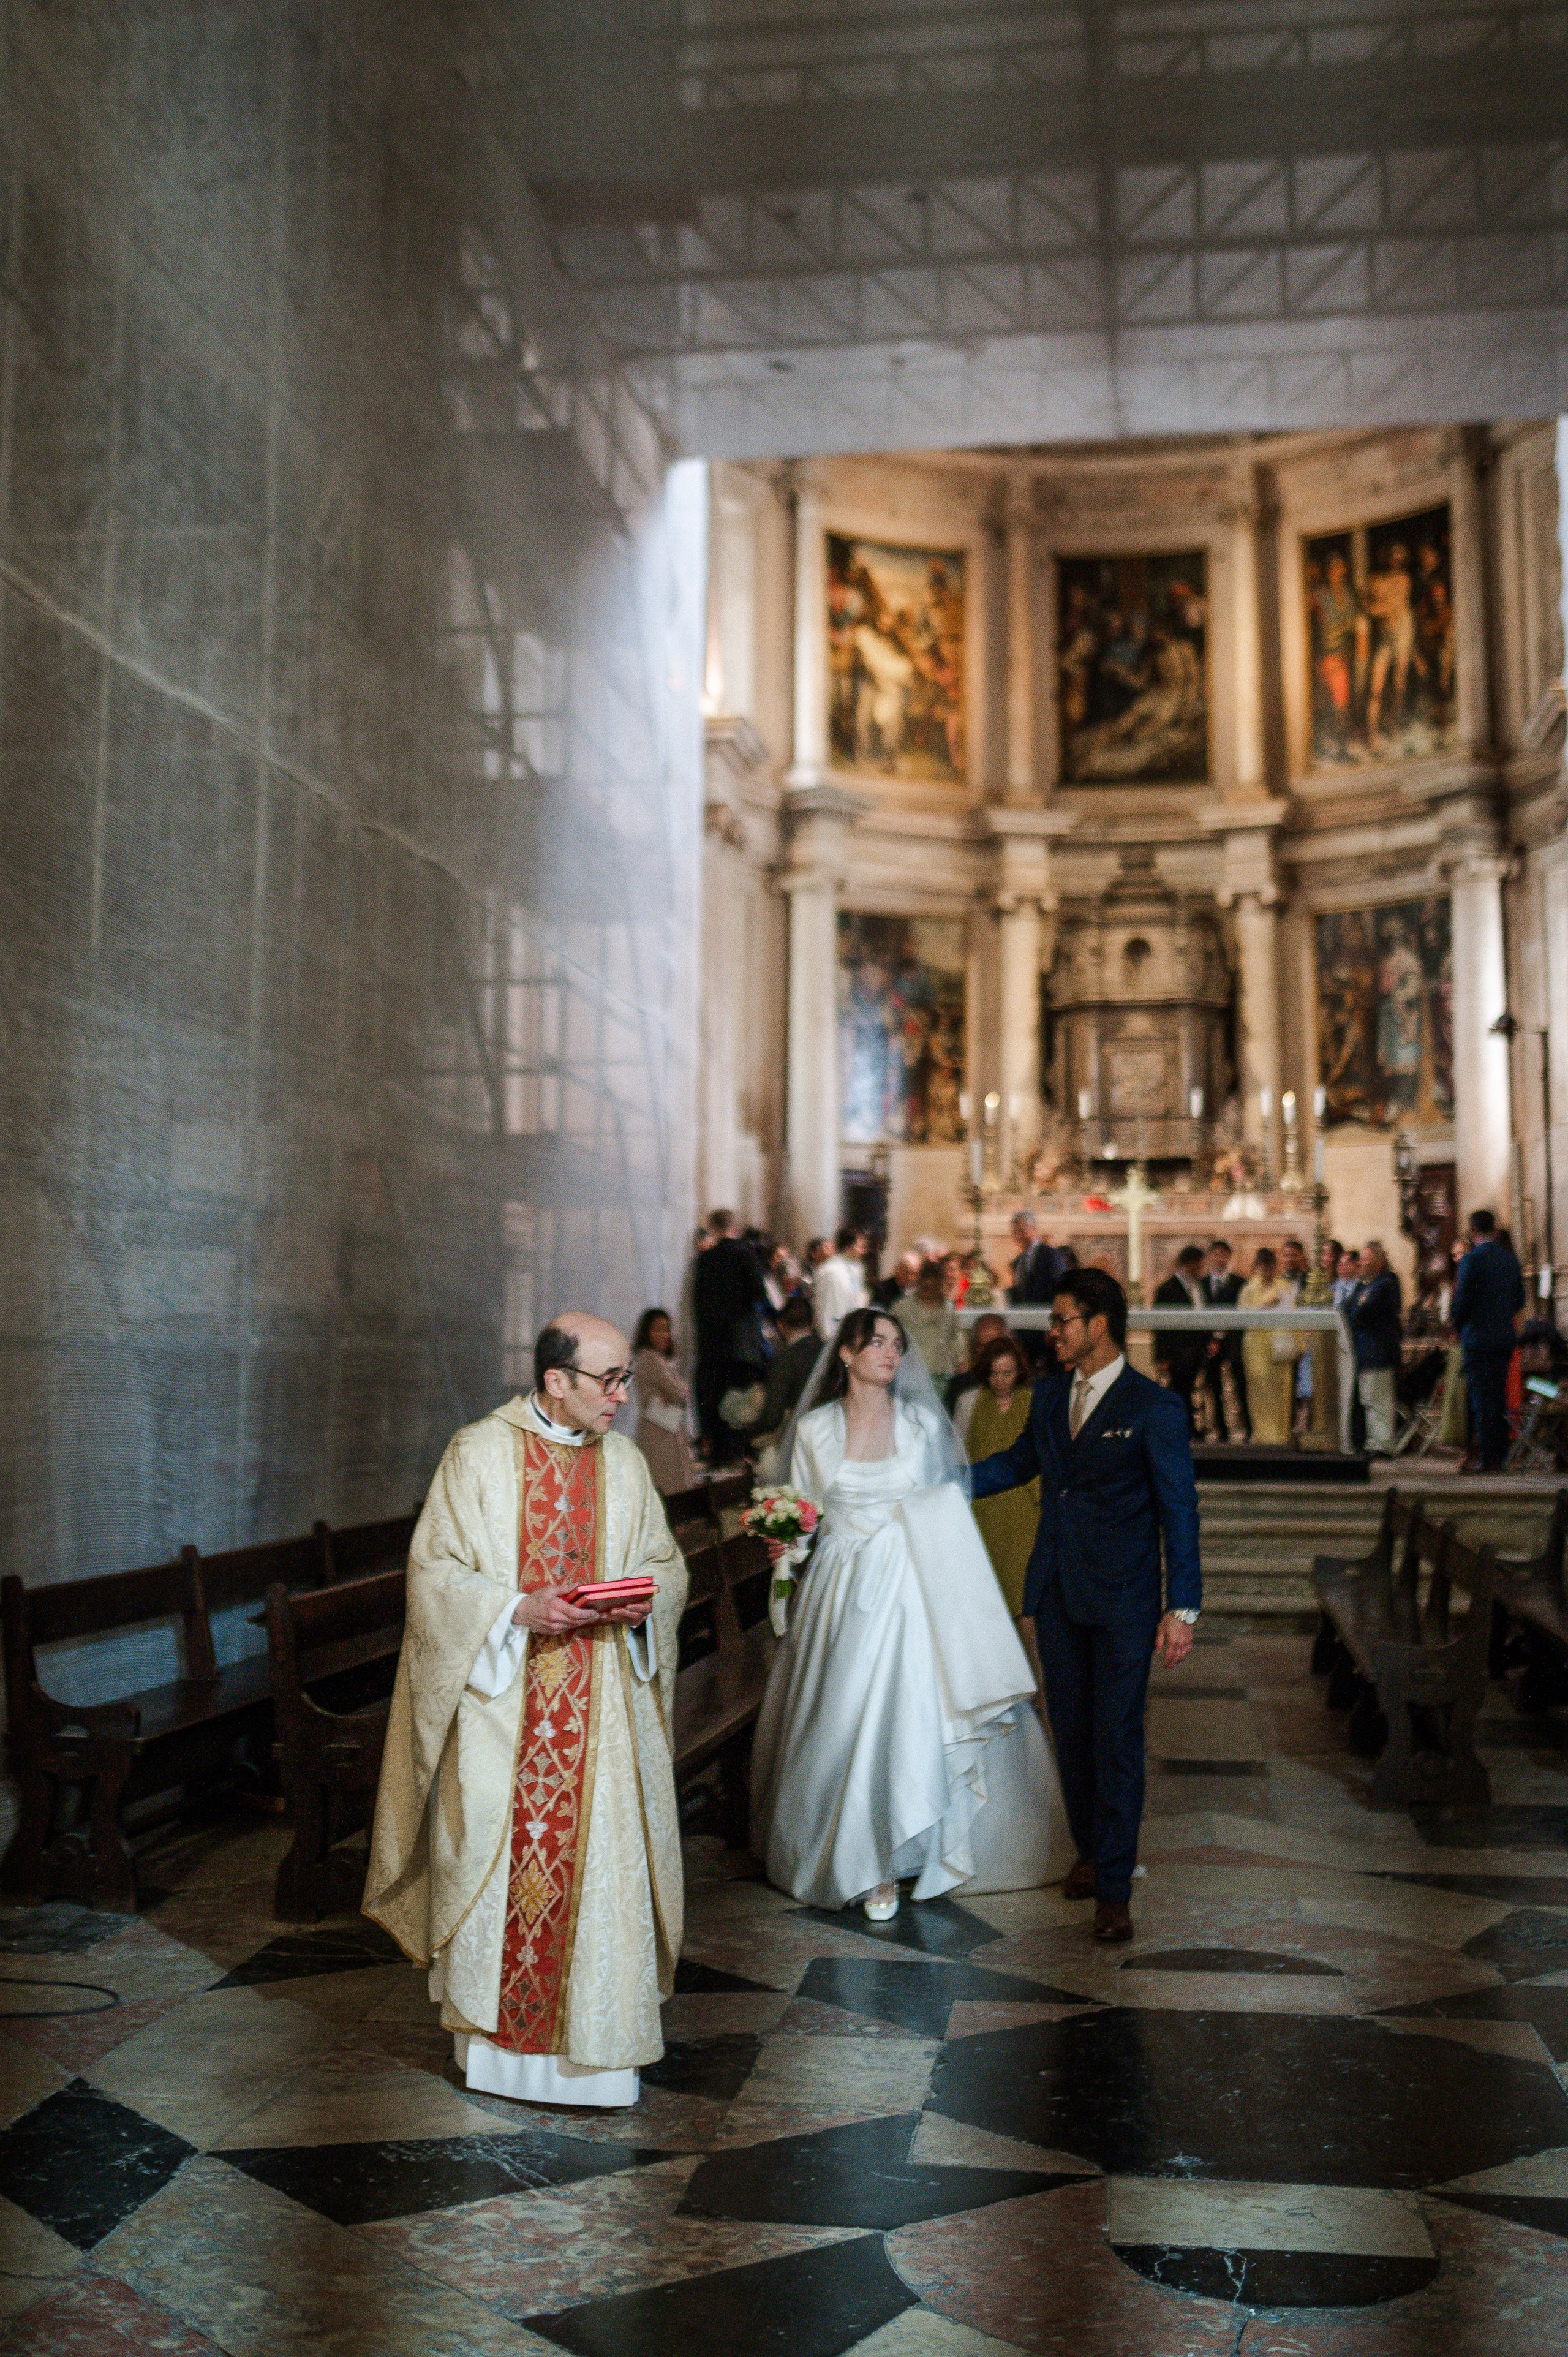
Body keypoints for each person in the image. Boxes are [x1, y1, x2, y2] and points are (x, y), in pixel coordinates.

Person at [364, 1313, 687, 2109]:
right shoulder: (476, 1453)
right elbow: (433, 1577)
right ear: (555, 1381)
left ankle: (600, 2060)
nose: (622, 1396)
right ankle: (499, 2059)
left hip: (603, 1716)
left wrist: (644, 1597)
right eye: (608, 1381)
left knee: (600, 1872)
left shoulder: (626, 1463)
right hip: (506, 1713)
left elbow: (666, 1564)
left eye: (624, 1380)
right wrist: (515, 1609)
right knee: (503, 1868)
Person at [750, 1308, 1072, 1919]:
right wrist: (784, 1543)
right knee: (844, 1718)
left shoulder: (923, 1424)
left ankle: (911, 1849)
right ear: (845, 1353)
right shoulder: (817, 1429)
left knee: (914, 1712)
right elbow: (803, 1512)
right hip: (842, 1587)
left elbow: (942, 1506)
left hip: (912, 1585)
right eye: (876, 1342)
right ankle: (861, 1857)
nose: (890, 1352)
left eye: (896, 1343)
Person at [969, 1269, 1201, 1945]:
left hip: (1127, 1599)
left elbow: (1178, 1509)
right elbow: (1015, 1465)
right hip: (1057, 1592)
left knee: (1118, 1735)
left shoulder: (1152, 1406)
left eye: (1062, 1320)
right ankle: (1091, 1847)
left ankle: (1115, 1887)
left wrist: (1180, 1606)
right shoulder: (1048, 1399)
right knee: (1069, 1732)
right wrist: (944, 1481)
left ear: (1098, 1323)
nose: (1053, 1332)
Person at [966, 1335, 1039, 1622]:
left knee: (1024, 1602)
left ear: (1019, 1371)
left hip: (1025, 1512)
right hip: (986, 1511)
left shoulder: (1032, 1402)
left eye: (1007, 1372)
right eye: (995, 1373)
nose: (1001, 1380)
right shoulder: (974, 1404)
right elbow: (967, 1454)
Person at [692, 1210, 771, 1464]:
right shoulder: (746, 1255)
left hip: (713, 1345)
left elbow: (698, 1303)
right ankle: (738, 1458)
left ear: (712, 1228)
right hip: (742, 1346)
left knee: (715, 1405)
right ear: (734, 1227)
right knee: (740, 1409)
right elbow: (759, 1293)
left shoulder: (706, 1259)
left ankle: (719, 1457)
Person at [1452, 1209, 1526, 1471]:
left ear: (1472, 1233)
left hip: (1478, 1340)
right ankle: (1500, 1455)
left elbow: (1461, 1303)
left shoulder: (1471, 1261)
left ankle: (1486, 1457)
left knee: (1481, 1400)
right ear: (1494, 1231)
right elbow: (1520, 1300)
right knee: (1498, 1397)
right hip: (1504, 1338)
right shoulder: (1510, 1260)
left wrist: (1459, 1326)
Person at [743, 1292, 822, 1475]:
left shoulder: (785, 1360)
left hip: (803, 1441)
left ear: (781, 1325)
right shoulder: (829, 1352)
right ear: (813, 1323)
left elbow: (772, 1416)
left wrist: (748, 1436)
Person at [631, 1308, 700, 1492]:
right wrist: (681, 1391)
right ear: (647, 1333)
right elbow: (680, 1394)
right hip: (660, 1430)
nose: (664, 1335)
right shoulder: (650, 1360)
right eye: (658, 1329)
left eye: (667, 1329)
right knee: (668, 1487)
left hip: (665, 1426)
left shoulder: (656, 1360)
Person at [1347, 1239, 1404, 1457]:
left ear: (1378, 1262)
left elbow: (1363, 1312)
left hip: (1378, 1350)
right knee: (1368, 1398)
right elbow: (1349, 1307)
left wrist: (1356, 1313)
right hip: (1365, 1351)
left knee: (1378, 1400)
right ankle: (1374, 1442)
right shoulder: (1365, 1284)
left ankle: (1383, 1444)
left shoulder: (1385, 1283)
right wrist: (1356, 1311)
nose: (1360, 1263)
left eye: (1365, 1259)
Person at [1240, 1248, 1297, 1446]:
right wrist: (1266, 1305)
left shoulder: (1285, 1287)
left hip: (1280, 1344)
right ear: (1258, 1266)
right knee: (1260, 1387)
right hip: (1256, 1345)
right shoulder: (1249, 1289)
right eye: (1263, 1265)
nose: (1267, 1269)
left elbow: (1294, 1316)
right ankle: (1264, 1436)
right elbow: (1243, 1317)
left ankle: (1280, 1436)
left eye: (1271, 1264)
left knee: (1281, 1389)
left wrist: (1298, 1345)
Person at [1153, 1245, 1209, 1436]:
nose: (1201, 1269)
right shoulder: (1167, 1289)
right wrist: (1163, 1356)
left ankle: (1189, 1426)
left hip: (1197, 1350)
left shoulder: (1198, 1287)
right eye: (1198, 1265)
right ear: (1189, 1264)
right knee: (1179, 1390)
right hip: (1178, 1352)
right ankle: (1180, 1427)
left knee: (1188, 1390)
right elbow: (1160, 1326)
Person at [1201, 1238, 1248, 1440]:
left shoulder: (1240, 1283)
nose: (1219, 1259)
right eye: (1216, 1255)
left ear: (1229, 1257)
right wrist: (1211, 1339)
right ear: (1210, 1258)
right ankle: (1220, 1429)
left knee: (1240, 1384)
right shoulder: (1201, 1284)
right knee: (1213, 1387)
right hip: (1210, 1342)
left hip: (1233, 1341)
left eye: (1223, 1255)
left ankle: (1247, 1427)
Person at [895, 1256, 964, 1379]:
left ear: (940, 1285)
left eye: (934, 1288)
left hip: (942, 1376)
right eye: (926, 1288)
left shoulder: (948, 1310)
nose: (929, 1292)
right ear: (920, 1282)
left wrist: (959, 1361)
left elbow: (955, 1339)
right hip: (911, 1376)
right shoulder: (902, 1309)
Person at [948, 1310, 1009, 1439]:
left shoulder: (1024, 1387)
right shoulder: (959, 1387)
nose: (988, 1352)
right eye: (981, 1346)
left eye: (994, 1345)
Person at [1008, 1210, 1076, 1307]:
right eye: (1015, 1232)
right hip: (1024, 1314)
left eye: (1022, 1231)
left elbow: (1059, 1287)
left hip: (1044, 1312)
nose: (1019, 1236)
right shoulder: (1019, 1260)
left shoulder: (1051, 1255)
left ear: (1034, 1230)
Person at [813, 1224, 869, 1339]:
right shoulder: (830, 1271)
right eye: (860, 1247)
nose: (864, 1251)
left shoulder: (858, 1267)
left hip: (853, 1328)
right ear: (848, 1247)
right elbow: (825, 1307)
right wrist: (827, 1336)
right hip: (834, 1330)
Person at [872, 1248, 922, 1312]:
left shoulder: (914, 1291)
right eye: (911, 1273)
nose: (914, 1278)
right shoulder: (883, 1289)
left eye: (916, 1274)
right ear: (900, 1270)